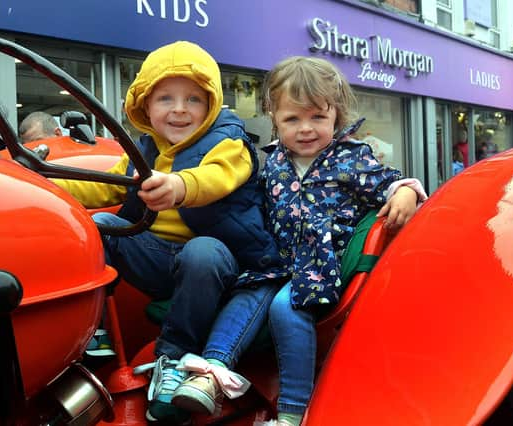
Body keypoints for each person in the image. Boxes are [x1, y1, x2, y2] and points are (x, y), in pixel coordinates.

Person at [170, 56, 428, 426]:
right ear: (274, 117)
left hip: (323, 266)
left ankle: (292, 413)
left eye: (317, 118)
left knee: (284, 307)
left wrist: (404, 191)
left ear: (335, 116)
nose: (305, 129)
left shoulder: (350, 158)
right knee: (246, 297)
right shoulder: (272, 161)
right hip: (276, 261)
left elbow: (386, 180)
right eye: (293, 119)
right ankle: (210, 373)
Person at [52, 40, 281, 424]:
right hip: (160, 259)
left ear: (210, 107)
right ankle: (95, 334)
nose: (179, 109)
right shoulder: (142, 149)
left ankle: (173, 357)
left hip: (222, 266)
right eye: (166, 99)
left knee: (202, 251)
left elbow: (217, 179)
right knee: (101, 226)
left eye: (193, 100)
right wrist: (47, 186)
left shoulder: (229, 143)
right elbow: (105, 184)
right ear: (145, 105)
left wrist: (179, 187)